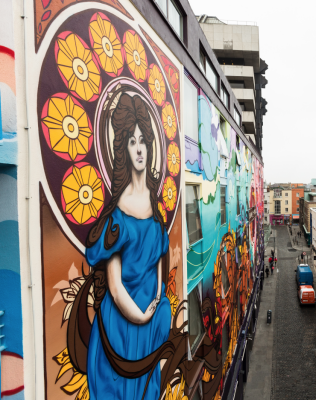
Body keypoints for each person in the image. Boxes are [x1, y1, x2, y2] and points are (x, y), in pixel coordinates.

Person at [84, 93, 170, 400]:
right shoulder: (117, 214)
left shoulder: (155, 205)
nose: (139, 148)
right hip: (122, 326)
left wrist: (157, 298)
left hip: (149, 315)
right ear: (123, 148)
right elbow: (115, 286)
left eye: (143, 140)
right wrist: (142, 317)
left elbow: (159, 258)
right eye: (132, 141)